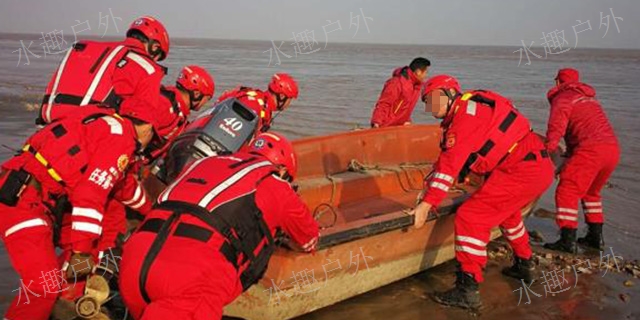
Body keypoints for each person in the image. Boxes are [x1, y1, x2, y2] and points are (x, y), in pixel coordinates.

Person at [119, 132, 319, 320]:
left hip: (133, 262)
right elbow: (309, 239)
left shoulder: (202, 163)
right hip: (190, 279)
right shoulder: (276, 183)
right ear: (282, 170)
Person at [0, 103, 171, 319]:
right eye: (152, 138)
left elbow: (123, 185)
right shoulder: (122, 140)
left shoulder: (104, 122)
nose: (148, 145)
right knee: (43, 284)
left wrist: (153, 212)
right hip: (25, 201)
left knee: (73, 263)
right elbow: (89, 195)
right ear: (147, 128)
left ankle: (67, 304)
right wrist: (81, 251)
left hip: (35, 194)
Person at [409, 75, 554, 311]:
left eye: (432, 100)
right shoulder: (471, 107)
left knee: (471, 216)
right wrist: (432, 183)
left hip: (520, 170)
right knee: (508, 214)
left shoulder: (463, 119)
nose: (429, 107)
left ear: (449, 94)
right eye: (426, 101)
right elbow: (456, 157)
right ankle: (525, 264)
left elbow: (450, 165)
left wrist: (426, 204)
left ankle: (468, 288)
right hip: (535, 164)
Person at [37, 16, 170, 125]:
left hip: (48, 125)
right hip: (87, 132)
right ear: (155, 47)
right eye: (158, 57)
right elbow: (143, 122)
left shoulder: (97, 51)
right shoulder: (148, 68)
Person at [543, 68, 620, 253]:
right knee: (591, 193)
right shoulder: (589, 99)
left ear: (557, 82)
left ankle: (567, 240)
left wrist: (547, 152)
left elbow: (557, 127)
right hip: (612, 150)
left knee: (567, 190)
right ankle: (595, 238)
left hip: (590, 149)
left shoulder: (563, 98)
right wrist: (569, 155)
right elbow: (580, 129)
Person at [146, 65, 215, 162]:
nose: (205, 103)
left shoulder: (178, 111)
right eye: (207, 99)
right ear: (197, 94)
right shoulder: (166, 106)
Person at [217, 73, 299, 132]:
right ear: (282, 96)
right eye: (290, 99)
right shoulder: (255, 105)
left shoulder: (262, 103)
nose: (289, 104)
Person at [370, 57, 431, 128]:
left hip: (399, 126)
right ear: (418, 72)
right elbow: (384, 103)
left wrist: (407, 120)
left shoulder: (416, 86)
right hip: (385, 125)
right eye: (426, 72)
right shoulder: (396, 83)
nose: (426, 75)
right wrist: (376, 122)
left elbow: (405, 107)